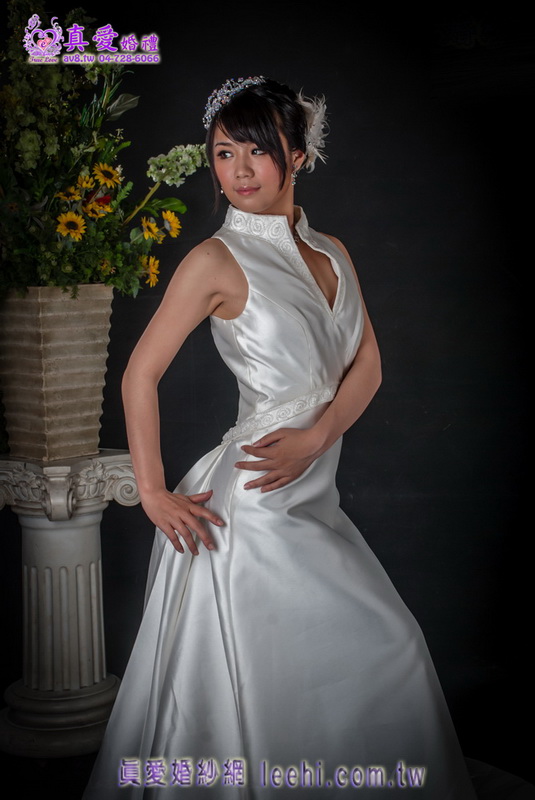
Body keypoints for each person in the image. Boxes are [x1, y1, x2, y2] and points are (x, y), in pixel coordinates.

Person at [83, 77, 477, 798]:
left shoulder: (331, 250)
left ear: (296, 154)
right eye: (223, 153)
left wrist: (320, 433)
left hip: (310, 487)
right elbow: (140, 374)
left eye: (256, 151)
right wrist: (151, 492)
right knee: (282, 676)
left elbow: (368, 363)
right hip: (252, 503)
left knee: (378, 650)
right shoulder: (214, 260)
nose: (238, 170)